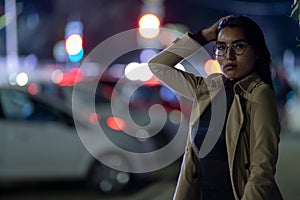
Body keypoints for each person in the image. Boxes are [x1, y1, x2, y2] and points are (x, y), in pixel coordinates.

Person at [148, 16, 283, 200]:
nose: (229, 56)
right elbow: (158, 66)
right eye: (221, 47)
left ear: (257, 51)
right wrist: (203, 36)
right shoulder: (209, 88)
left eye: (239, 46)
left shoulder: (259, 94)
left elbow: (262, 169)